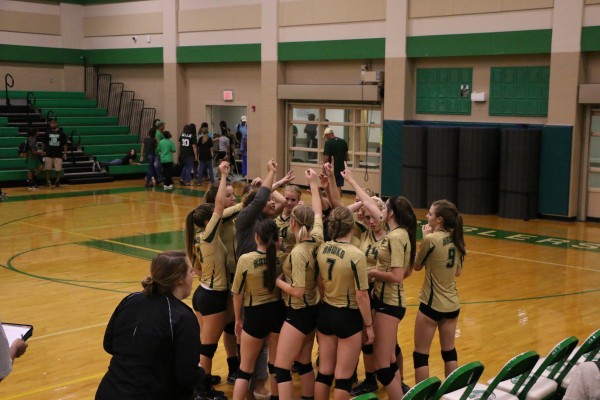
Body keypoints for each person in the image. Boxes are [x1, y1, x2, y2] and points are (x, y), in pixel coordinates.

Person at [95, 251, 205, 400]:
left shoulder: (130, 300)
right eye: (190, 270)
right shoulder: (182, 317)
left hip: (109, 391)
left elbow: (109, 344)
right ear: (179, 278)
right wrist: (201, 372)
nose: (194, 274)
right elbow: (187, 376)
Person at [314, 206, 374, 400]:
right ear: (352, 227)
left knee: (324, 372)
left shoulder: (322, 248)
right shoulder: (356, 255)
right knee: (343, 378)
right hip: (348, 316)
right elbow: (362, 295)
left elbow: (319, 282)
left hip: (326, 313)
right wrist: (369, 326)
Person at [274, 168, 323, 400]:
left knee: (281, 368)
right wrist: (313, 184)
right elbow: (319, 213)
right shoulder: (318, 239)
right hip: (313, 309)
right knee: (304, 363)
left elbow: (298, 290)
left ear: (293, 222)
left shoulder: (299, 252)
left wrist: (278, 282)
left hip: (298, 312)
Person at [184, 161, 231, 400]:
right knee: (208, 346)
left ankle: (202, 378)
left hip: (203, 293)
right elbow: (220, 206)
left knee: (204, 344)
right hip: (213, 296)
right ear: (206, 222)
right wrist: (223, 176)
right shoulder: (209, 235)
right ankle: (200, 390)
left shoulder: (198, 238)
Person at [231, 218, 286, 400]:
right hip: (278, 311)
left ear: (256, 237)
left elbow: (237, 294)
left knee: (245, 369)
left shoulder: (246, 259)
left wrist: (238, 319)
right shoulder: (281, 257)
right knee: (276, 365)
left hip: (255, 313)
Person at [412, 199, 466, 383]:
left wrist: (424, 238)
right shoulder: (457, 238)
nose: (427, 216)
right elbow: (457, 272)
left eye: (430, 214)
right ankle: (453, 393)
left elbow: (417, 266)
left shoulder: (431, 240)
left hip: (431, 305)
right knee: (449, 351)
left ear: (439, 219)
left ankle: (423, 396)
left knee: (421, 355)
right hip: (452, 305)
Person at [275, 184, 302, 253]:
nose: (289, 203)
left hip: (290, 257)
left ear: (298, 201)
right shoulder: (274, 216)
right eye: (286, 199)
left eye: (293, 200)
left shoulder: (300, 219)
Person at [43, 119, 67, 187]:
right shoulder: (47, 132)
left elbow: (65, 144)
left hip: (58, 154)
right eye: (51, 123)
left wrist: (65, 153)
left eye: (53, 123)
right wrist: (42, 150)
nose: (52, 124)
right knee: (47, 169)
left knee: (58, 169)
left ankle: (57, 181)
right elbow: (44, 142)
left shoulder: (62, 133)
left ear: (57, 123)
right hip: (48, 153)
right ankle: (48, 181)